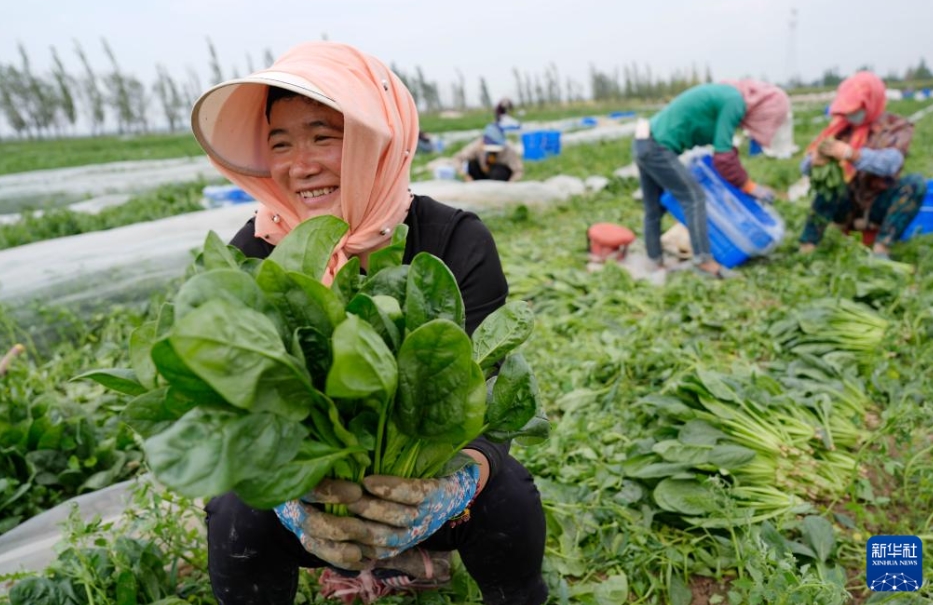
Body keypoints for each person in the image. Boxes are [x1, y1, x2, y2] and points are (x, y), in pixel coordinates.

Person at [189, 41, 547, 605]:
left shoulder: (454, 239)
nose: (299, 164)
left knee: (508, 495)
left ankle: (441, 564)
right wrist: (288, 491)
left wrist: (459, 480)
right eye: (280, 144)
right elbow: (229, 406)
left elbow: (489, 390)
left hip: (422, 489)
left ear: (377, 141)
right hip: (309, 496)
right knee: (237, 508)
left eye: (322, 137)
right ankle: (354, 561)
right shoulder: (255, 252)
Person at [633, 80, 791, 279]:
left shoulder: (728, 96)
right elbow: (723, 157)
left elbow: (720, 145)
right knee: (694, 197)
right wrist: (749, 186)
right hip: (657, 147)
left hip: (642, 141)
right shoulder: (735, 101)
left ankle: (654, 262)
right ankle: (704, 261)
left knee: (653, 209)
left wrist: (734, 167)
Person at [798, 71, 926, 259]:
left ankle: (882, 248)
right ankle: (807, 245)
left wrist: (852, 154)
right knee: (829, 187)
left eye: (856, 108)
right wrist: (813, 162)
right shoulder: (841, 128)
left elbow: (890, 163)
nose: (851, 114)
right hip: (848, 203)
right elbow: (805, 167)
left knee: (915, 184)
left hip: (878, 202)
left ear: (871, 103)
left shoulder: (896, 126)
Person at [454, 122, 524, 182]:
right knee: (472, 164)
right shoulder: (478, 145)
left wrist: (511, 182)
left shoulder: (508, 149)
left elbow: (518, 170)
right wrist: (465, 175)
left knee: (498, 171)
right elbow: (457, 158)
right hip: (481, 174)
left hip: (498, 177)